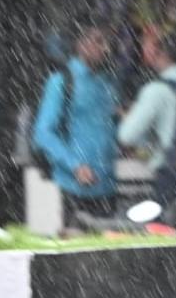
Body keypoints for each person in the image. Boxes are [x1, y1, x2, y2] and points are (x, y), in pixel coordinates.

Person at [32, 16, 120, 219]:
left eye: (107, 42)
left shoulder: (108, 84)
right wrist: (75, 165)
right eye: (99, 41)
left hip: (107, 186)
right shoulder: (62, 82)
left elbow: (107, 126)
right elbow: (43, 133)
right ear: (81, 44)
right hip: (75, 188)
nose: (106, 48)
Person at [118, 28, 176, 174]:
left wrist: (126, 117)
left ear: (163, 54)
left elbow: (127, 135)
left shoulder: (156, 90)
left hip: (169, 169)